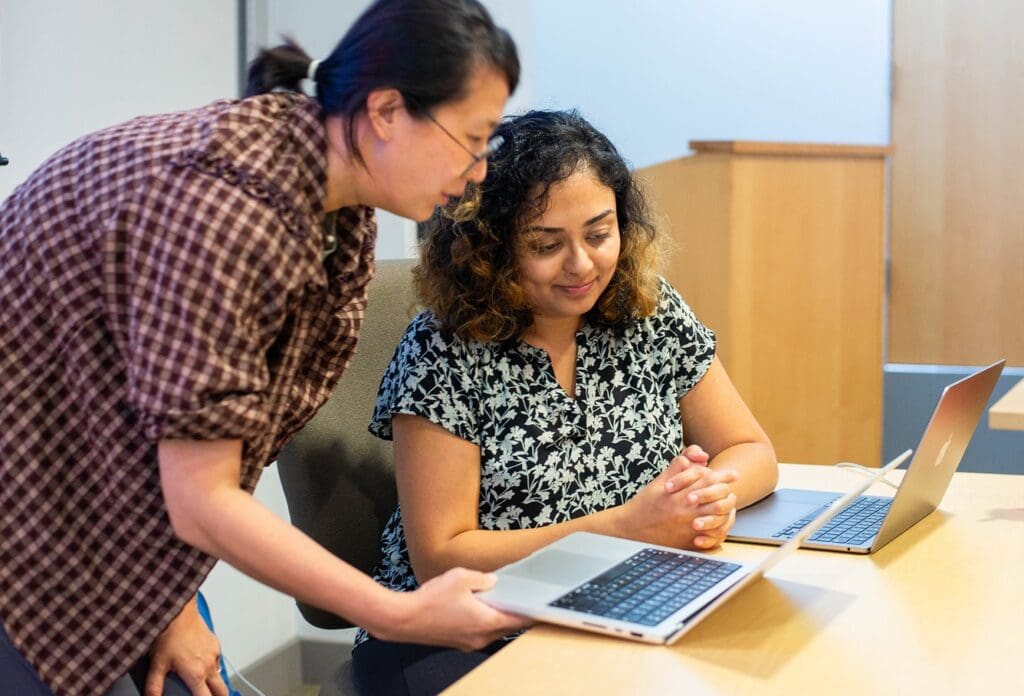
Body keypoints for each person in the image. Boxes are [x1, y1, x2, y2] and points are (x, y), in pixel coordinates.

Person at [0, 1, 530, 694]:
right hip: (31, 507)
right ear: (386, 112)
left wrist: (169, 599)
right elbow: (201, 497)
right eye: (473, 139)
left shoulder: (330, 194)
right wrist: (397, 613)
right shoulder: (229, 214)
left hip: (110, 496)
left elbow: (172, 416)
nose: (480, 170)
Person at [351, 109, 780, 694]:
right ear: (491, 249)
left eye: (599, 234)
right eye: (546, 244)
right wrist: (625, 529)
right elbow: (442, 559)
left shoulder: (646, 310)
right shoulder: (444, 349)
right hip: (461, 628)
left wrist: (707, 497)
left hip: (613, 605)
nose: (581, 265)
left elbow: (751, 450)